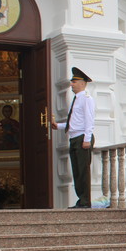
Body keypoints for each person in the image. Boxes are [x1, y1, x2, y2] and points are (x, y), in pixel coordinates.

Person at [51, 67, 95, 208]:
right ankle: (81, 200)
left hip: (82, 137)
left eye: (74, 82)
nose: (71, 84)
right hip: (75, 137)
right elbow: (75, 122)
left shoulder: (86, 99)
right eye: (72, 81)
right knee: (76, 171)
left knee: (83, 171)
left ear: (82, 83)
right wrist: (58, 126)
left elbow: (89, 120)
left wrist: (87, 139)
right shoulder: (77, 99)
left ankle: (85, 202)